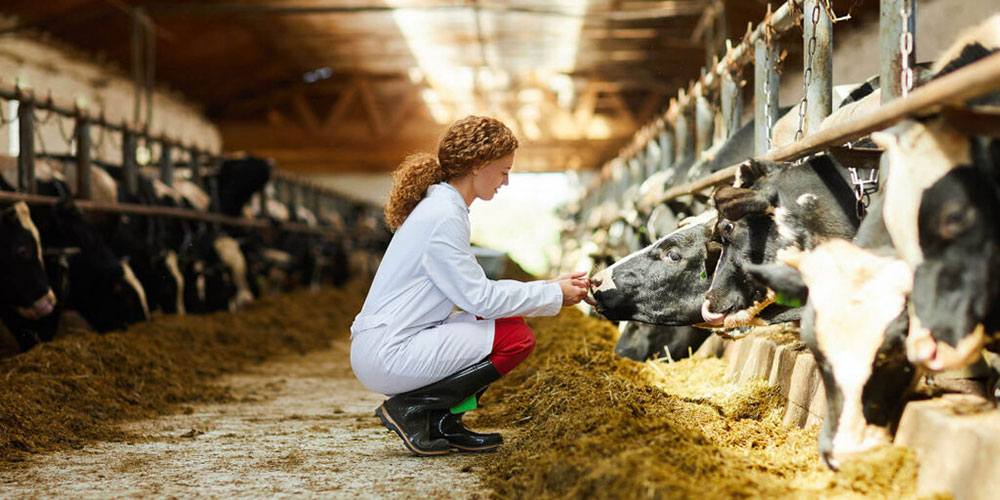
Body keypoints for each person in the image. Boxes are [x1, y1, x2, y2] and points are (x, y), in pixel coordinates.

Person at [350, 115, 591, 456]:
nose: (506, 182)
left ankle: (444, 422)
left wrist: (551, 284)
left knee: (509, 326)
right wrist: (553, 294)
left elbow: (474, 291)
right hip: (390, 351)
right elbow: (480, 299)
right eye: (504, 171)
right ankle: (414, 409)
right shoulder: (444, 216)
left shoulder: (443, 209)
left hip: (394, 339)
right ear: (479, 166)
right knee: (516, 338)